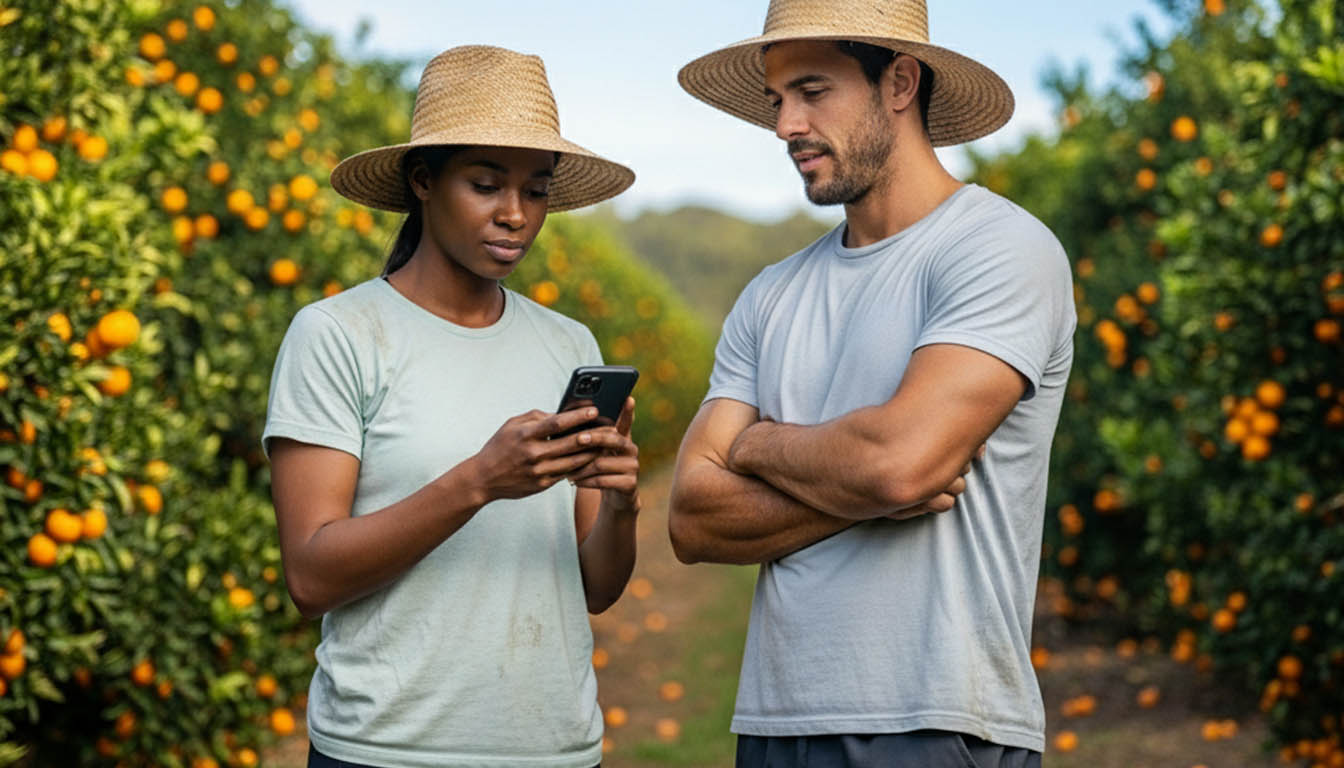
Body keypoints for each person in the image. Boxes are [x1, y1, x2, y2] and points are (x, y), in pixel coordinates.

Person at [669, 1, 1077, 766]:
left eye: (813, 91)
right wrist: (864, 482)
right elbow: (692, 519)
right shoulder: (770, 294)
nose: (786, 124)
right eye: (776, 99)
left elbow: (899, 463)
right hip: (774, 725)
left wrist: (754, 445)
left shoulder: (999, 249)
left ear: (899, 82)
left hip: (939, 721)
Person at [262, 46, 640, 768]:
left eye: (536, 191)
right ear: (423, 181)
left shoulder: (567, 341)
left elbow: (596, 587)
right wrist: (478, 481)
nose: (515, 214)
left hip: (553, 749)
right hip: (384, 749)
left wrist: (619, 502)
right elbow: (310, 578)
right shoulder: (339, 335)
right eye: (486, 184)